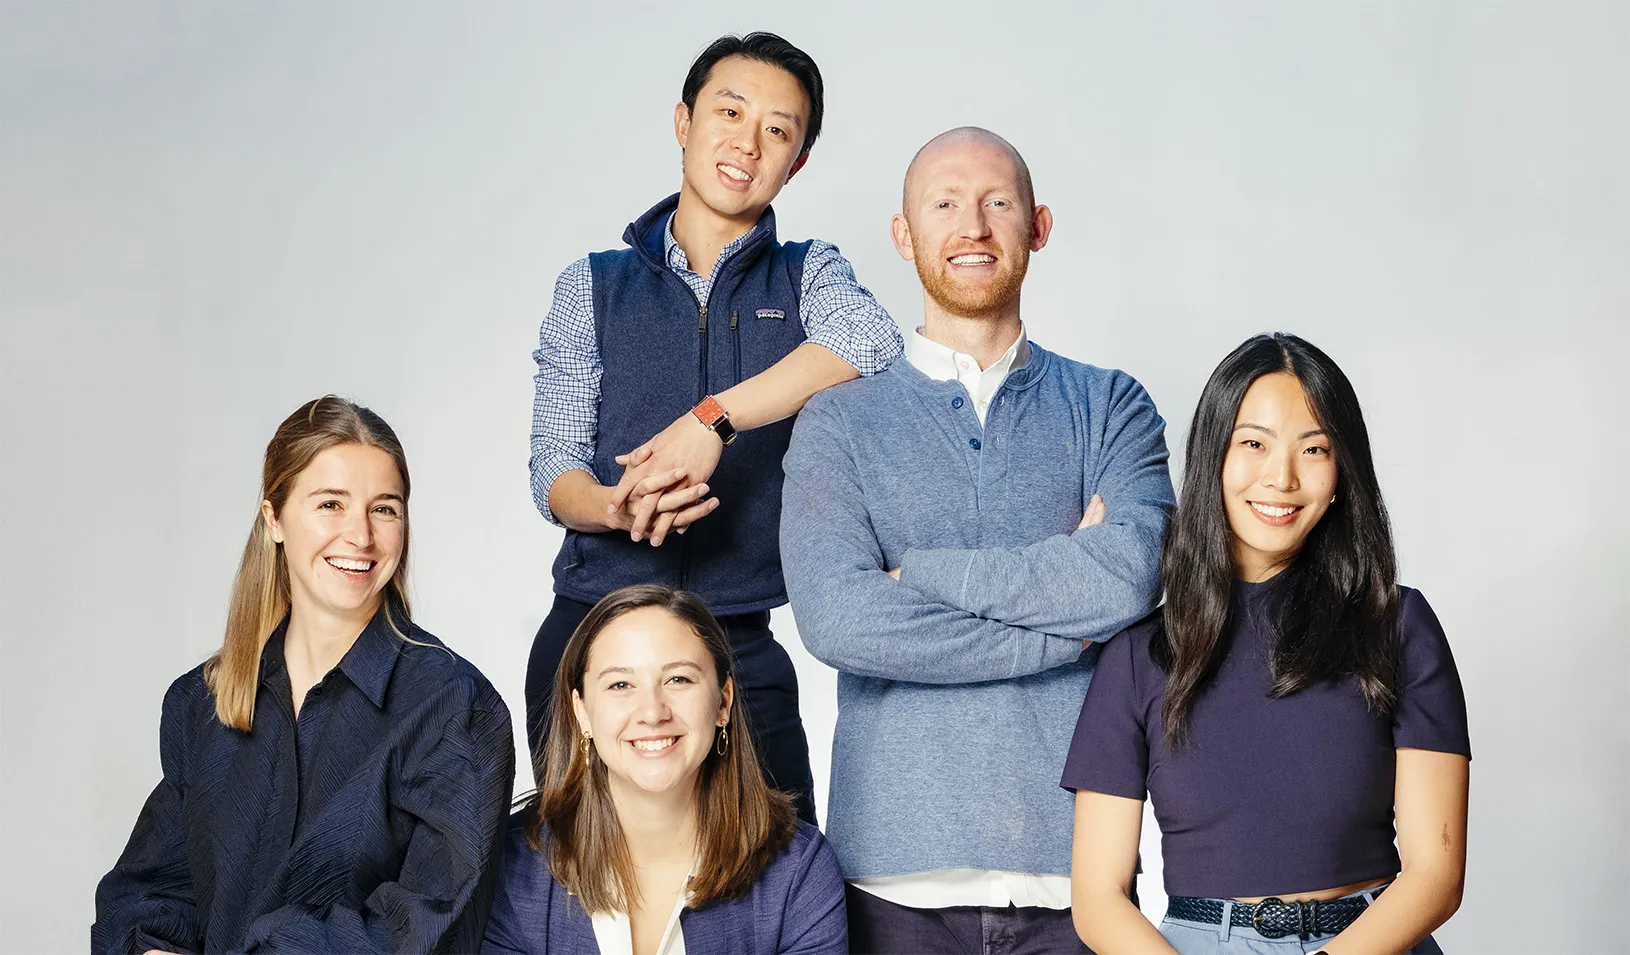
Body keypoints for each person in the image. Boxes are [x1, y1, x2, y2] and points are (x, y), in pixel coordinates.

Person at [780, 127, 1175, 954]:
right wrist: (1072, 628)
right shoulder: (837, 423)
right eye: (946, 203)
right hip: (890, 878)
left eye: (999, 202)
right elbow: (841, 621)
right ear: (903, 233)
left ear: (1039, 226)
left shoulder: (1112, 406)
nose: (973, 225)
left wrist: (917, 575)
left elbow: (1129, 579)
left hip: (1082, 873)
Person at [526, 31, 903, 823]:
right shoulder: (592, 286)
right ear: (684, 122)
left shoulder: (810, 274)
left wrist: (715, 418)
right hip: (592, 630)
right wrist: (614, 506)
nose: (747, 142)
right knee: (584, 890)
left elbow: (871, 342)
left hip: (738, 638)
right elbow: (553, 465)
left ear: (796, 161)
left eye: (778, 129)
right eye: (729, 112)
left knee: (783, 877)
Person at [1064, 333, 1470, 954]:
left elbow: (1436, 877)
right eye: (1253, 443)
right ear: (1214, 460)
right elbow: (1097, 899)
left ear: (1341, 472)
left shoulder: (1398, 624)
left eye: (1314, 449)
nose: (1280, 477)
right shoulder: (1139, 656)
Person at [91, 396, 515, 954]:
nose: (360, 536)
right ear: (274, 518)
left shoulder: (456, 710)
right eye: (331, 505)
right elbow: (150, 894)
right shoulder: (202, 702)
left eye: (384, 509)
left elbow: (419, 931)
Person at [484, 584, 847, 955]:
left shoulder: (800, 870)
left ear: (723, 703)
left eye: (679, 679)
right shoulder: (515, 867)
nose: (654, 712)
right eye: (621, 684)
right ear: (582, 713)